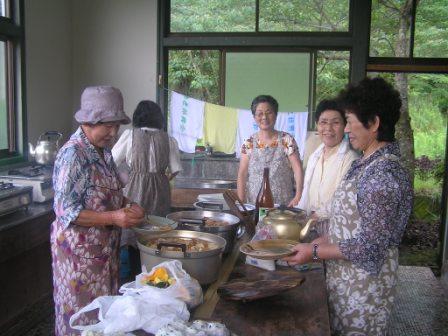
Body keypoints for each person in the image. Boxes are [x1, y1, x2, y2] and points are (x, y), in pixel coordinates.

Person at [283, 77, 413, 335]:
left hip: (363, 290)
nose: (347, 129)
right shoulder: (367, 163)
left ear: (374, 123)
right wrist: (321, 240)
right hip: (346, 281)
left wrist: (315, 252)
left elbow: (370, 246)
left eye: (350, 121)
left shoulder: (382, 176)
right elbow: (353, 223)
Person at [50, 86, 145, 336]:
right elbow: (66, 211)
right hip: (78, 260)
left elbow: (104, 192)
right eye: (108, 126)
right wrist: (114, 217)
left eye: (117, 126)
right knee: (81, 317)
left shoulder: (102, 152)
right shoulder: (73, 155)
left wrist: (127, 205)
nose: (113, 133)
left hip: (102, 253)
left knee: (103, 316)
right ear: (89, 121)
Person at [112, 100, 182, 275]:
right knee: (159, 232)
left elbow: (111, 161)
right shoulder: (169, 139)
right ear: (159, 118)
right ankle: (156, 272)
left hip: (135, 187)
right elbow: (175, 169)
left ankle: (133, 274)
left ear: (138, 118)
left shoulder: (130, 136)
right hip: (160, 189)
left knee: (134, 230)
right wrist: (160, 176)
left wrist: (124, 177)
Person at [237, 95, 304, 207]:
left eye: (269, 112)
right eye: (260, 114)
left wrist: (298, 196)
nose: (264, 117)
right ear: (254, 117)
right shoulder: (248, 143)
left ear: (276, 115)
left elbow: (298, 169)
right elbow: (242, 173)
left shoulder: (286, 140)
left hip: (282, 204)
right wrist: (241, 200)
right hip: (254, 204)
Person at [297, 99, 358, 218]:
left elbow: (343, 200)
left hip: (336, 226)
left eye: (335, 123)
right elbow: (306, 196)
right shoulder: (314, 157)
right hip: (310, 222)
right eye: (323, 122)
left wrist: (315, 217)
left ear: (345, 126)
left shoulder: (351, 159)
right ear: (317, 125)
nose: (328, 128)